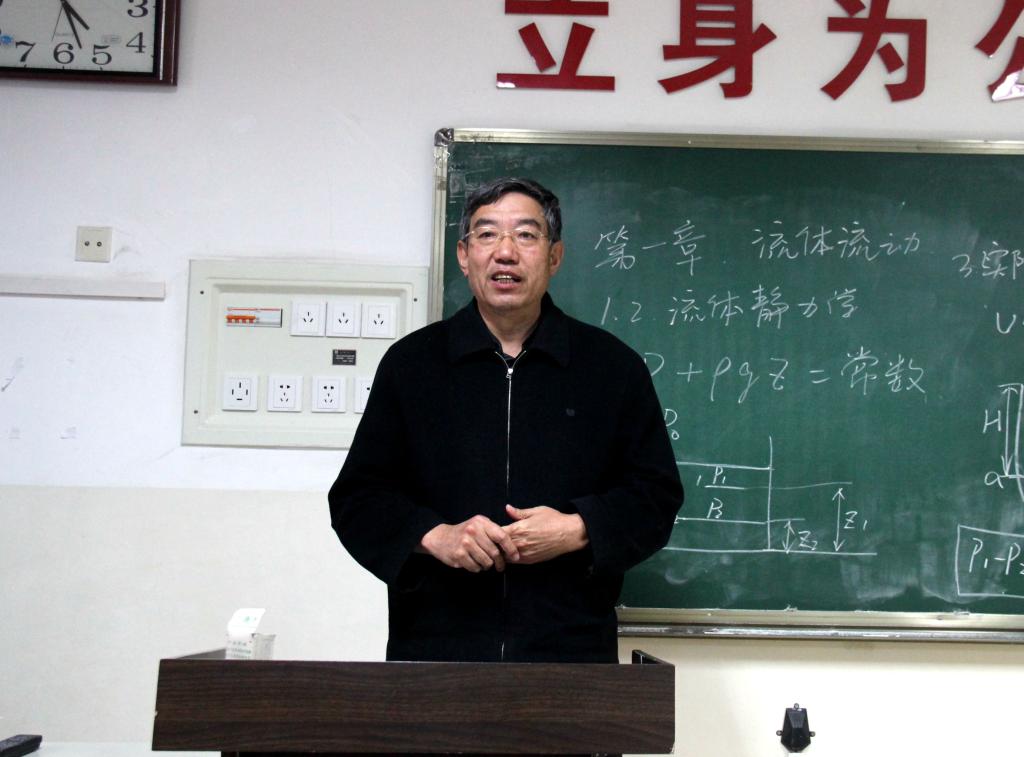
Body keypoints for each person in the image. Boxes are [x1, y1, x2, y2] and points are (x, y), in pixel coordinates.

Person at [328, 177, 683, 663]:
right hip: (434, 653)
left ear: (554, 256)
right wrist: (437, 536)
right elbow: (358, 499)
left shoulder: (611, 367)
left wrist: (578, 528)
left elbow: (655, 497)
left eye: (526, 235)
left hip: (572, 654)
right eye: (487, 234)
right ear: (464, 254)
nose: (505, 252)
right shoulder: (412, 365)